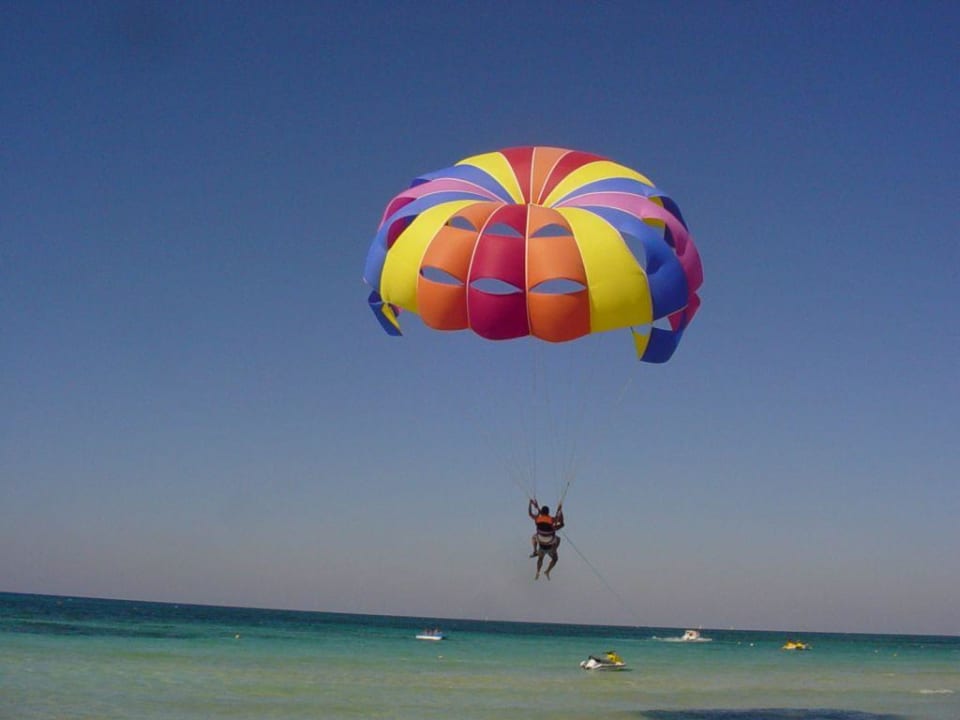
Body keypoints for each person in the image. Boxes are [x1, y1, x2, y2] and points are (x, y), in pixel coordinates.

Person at [528, 498, 564, 580]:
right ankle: (547, 571)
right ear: (548, 513)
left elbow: (530, 514)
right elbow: (561, 522)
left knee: (540, 557)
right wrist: (560, 511)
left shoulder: (538, 519)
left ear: (542, 513)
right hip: (550, 543)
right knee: (555, 558)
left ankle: (535, 552)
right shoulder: (551, 520)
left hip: (540, 541)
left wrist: (531, 504)